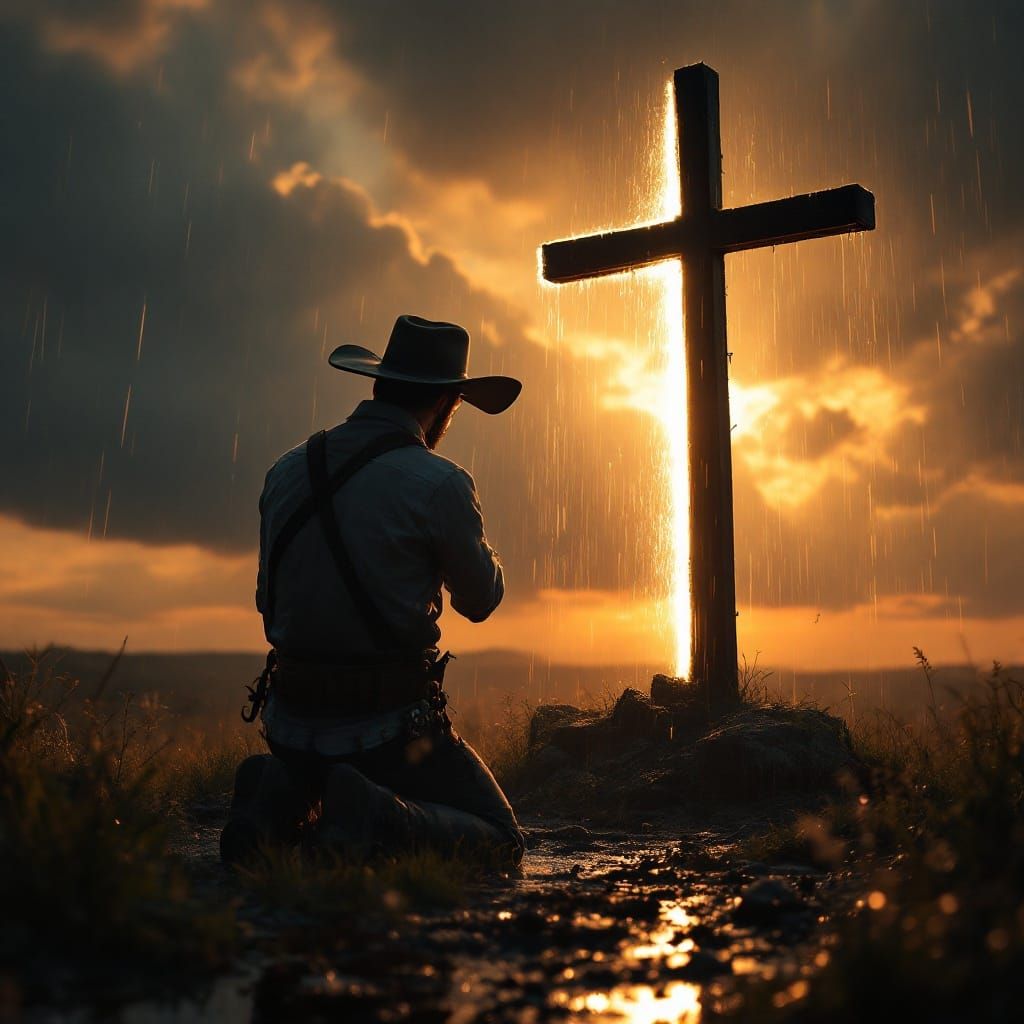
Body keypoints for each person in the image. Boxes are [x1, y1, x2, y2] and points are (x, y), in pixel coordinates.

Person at [220, 314, 525, 868]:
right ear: (447, 403)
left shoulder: (286, 468)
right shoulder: (441, 483)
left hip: (289, 720)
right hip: (388, 731)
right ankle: (379, 812)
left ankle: (280, 792)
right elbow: (481, 601)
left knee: (306, 769)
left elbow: (268, 604)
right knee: (501, 837)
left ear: (379, 384)